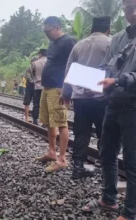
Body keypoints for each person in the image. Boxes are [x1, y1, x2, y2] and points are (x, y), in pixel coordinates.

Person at [81, 2, 136, 219]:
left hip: (133, 108)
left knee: (132, 162)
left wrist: (119, 79)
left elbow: (124, 76)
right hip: (113, 105)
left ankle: (130, 212)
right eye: (128, 7)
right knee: (107, 153)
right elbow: (108, 66)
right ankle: (109, 199)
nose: (132, 12)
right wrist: (91, 81)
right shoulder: (120, 38)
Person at [62, 17, 111, 180]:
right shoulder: (110, 43)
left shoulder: (79, 45)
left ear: (91, 30)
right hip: (101, 98)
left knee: (81, 133)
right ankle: (106, 171)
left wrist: (66, 94)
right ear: (108, 30)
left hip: (80, 99)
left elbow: (69, 71)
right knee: (104, 134)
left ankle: (77, 168)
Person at [35, 16, 76, 172]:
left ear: (57, 27)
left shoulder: (69, 41)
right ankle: (52, 152)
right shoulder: (52, 43)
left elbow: (74, 66)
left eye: (48, 31)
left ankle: (62, 158)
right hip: (47, 87)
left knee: (60, 122)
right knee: (49, 122)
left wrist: (68, 90)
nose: (47, 34)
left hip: (58, 88)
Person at [31, 49, 48, 125]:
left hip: (37, 86)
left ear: (40, 54)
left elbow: (33, 74)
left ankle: (35, 119)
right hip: (47, 86)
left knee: (36, 103)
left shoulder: (35, 63)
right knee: (46, 104)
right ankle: (45, 122)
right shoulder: (49, 62)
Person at [24, 58, 37, 122]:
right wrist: (33, 81)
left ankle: (35, 118)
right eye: (32, 62)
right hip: (29, 87)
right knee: (27, 102)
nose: (33, 63)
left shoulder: (38, 68)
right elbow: (27, 76)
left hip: (36, 87)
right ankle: (26, 117)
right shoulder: (28, 68)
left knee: (36, 103)